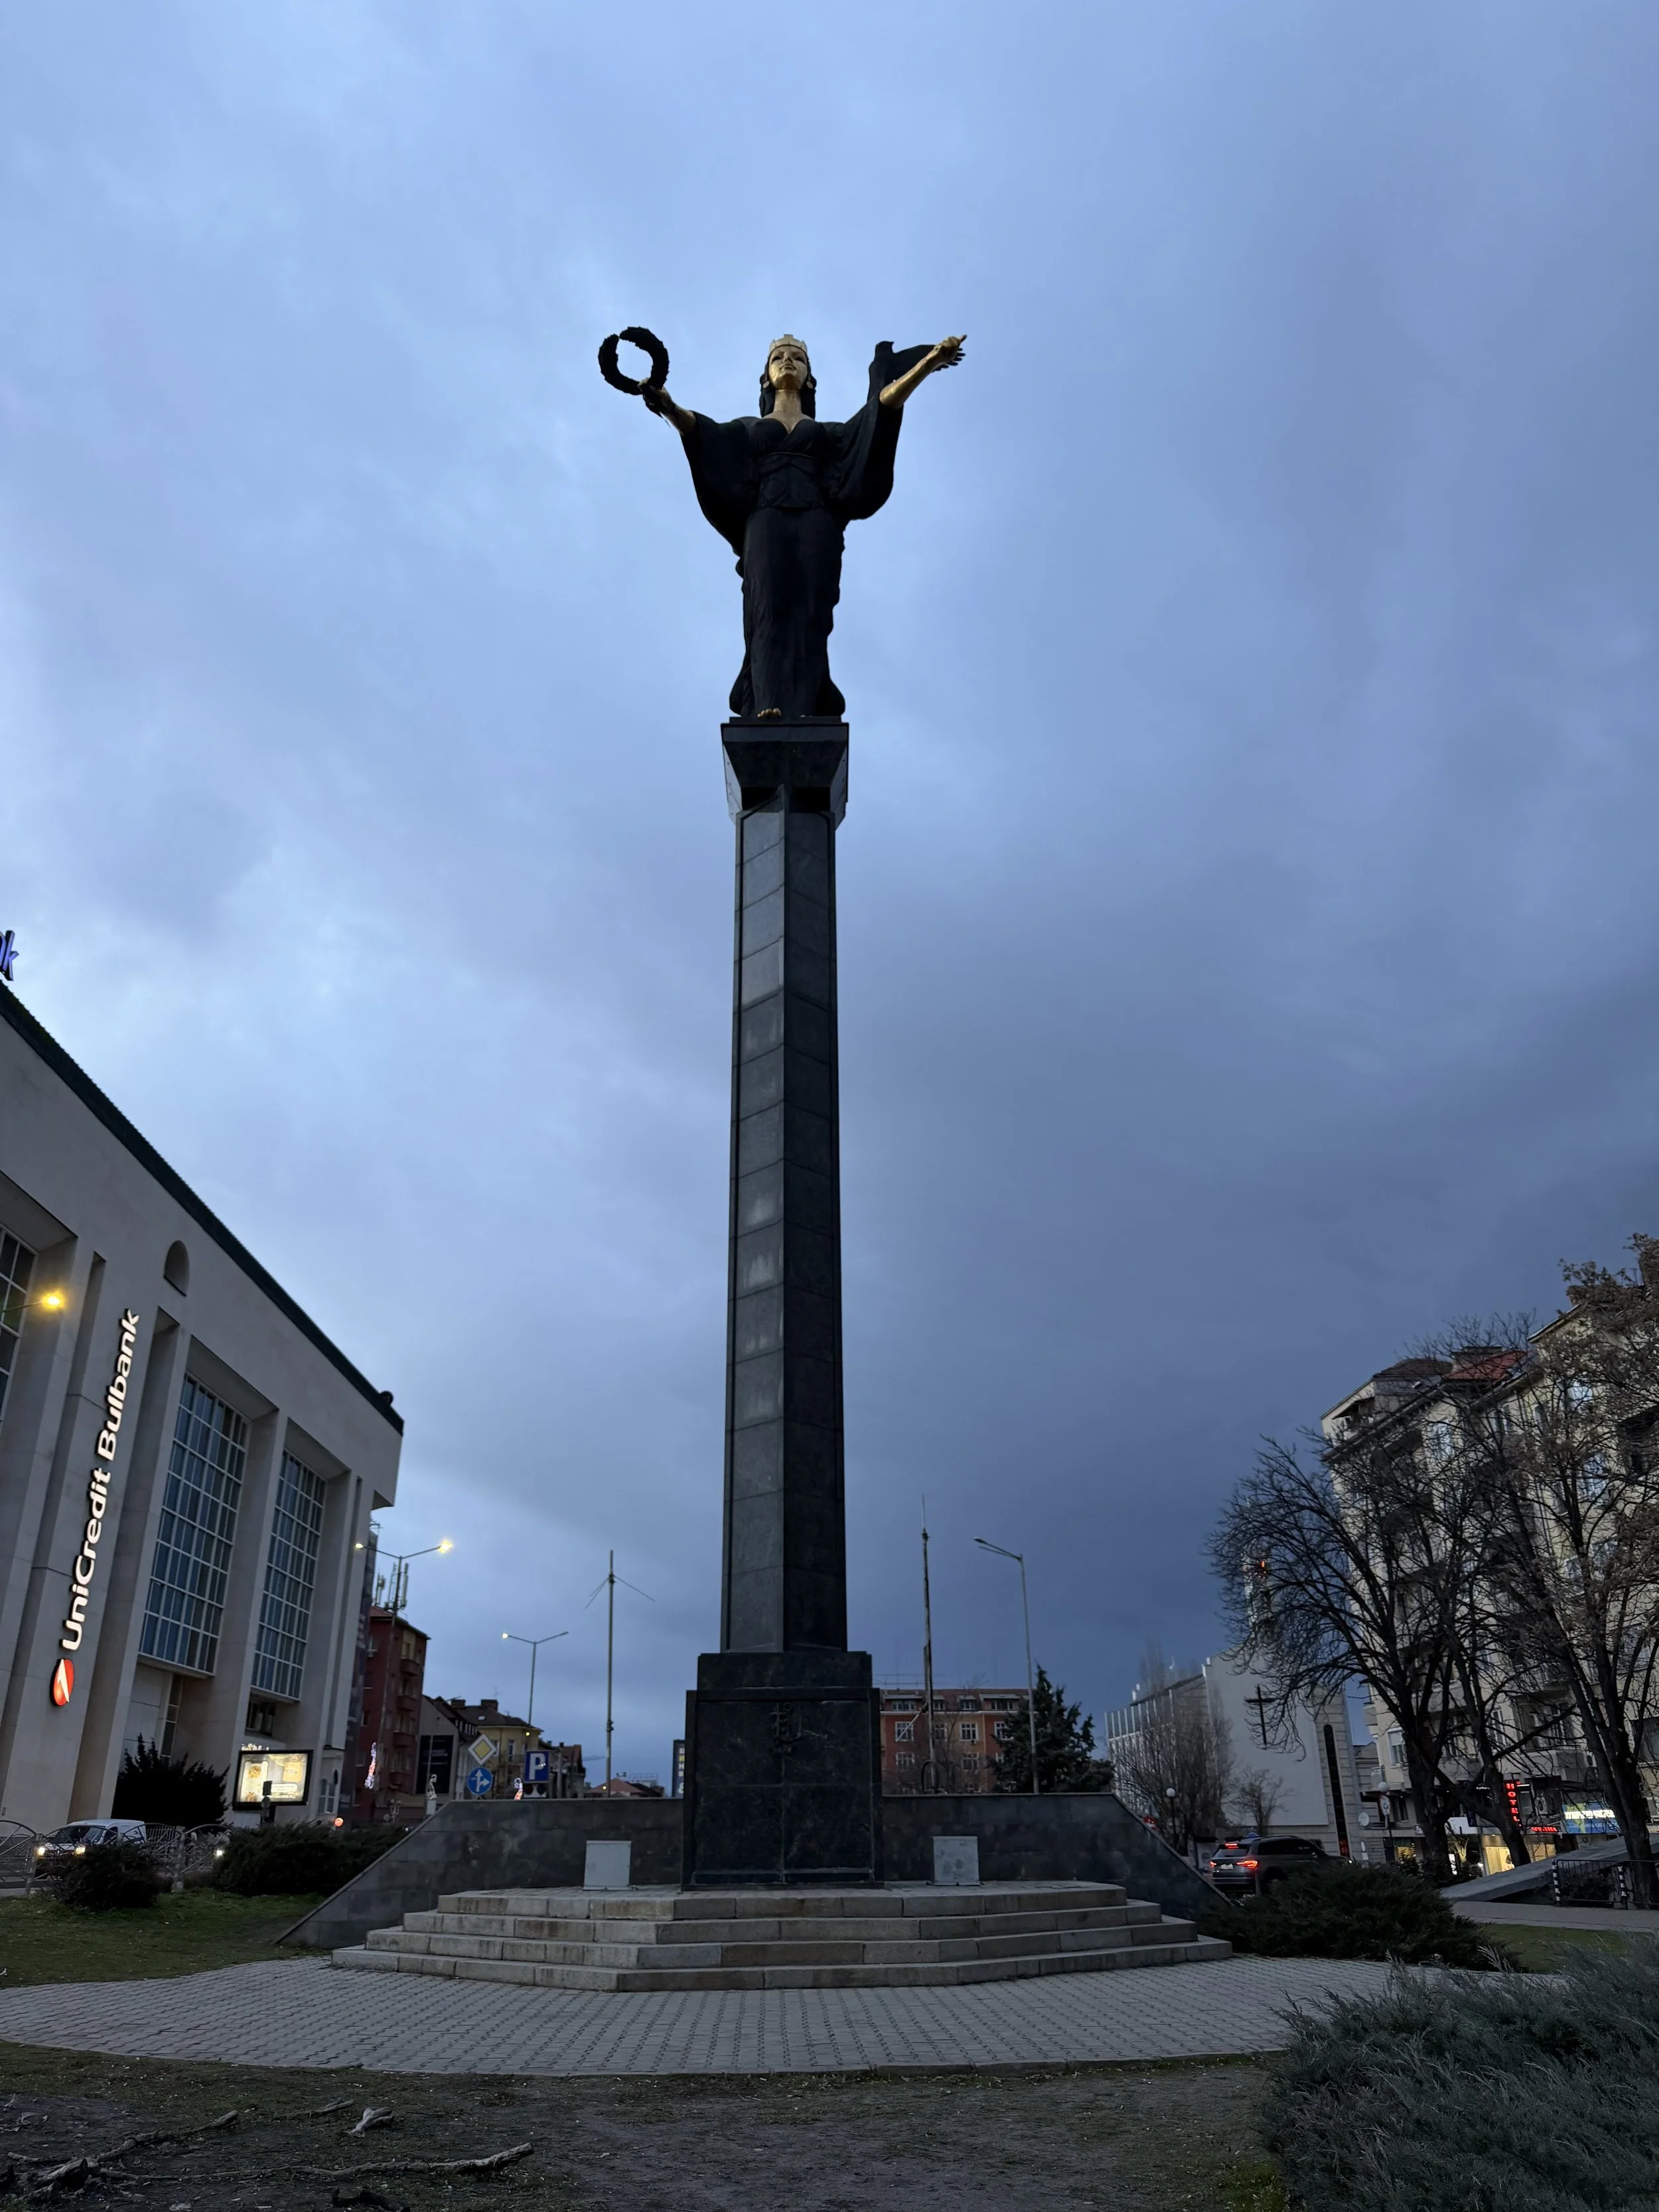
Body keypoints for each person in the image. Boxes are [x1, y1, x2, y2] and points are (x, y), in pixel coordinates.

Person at [640, 333, 965, 719]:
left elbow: (880, 409)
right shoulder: (748, 428)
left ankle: (810, 706)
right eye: (779, 357)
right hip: (765, 519)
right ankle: (766, 704)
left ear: (810, 377)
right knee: (769, 608)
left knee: (813, 613)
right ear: (766, 377)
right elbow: (703, 433)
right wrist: (667, 405)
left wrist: (928, 363)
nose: (788, 361)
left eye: (797, 357)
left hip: (818, 522)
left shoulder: (827, 432)